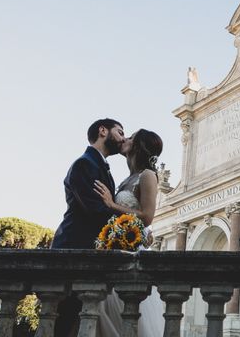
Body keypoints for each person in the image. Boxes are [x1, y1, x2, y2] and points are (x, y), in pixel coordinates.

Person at [51, 118, 125, 337]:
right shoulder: (85, 164)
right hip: (73, 249)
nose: (122, 139)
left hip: (89, 252)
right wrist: (132, 224)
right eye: (119, 132)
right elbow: (94, 210)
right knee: (63, 323)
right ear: (103, 131)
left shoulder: (99, 165)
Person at [93, 129, 165, 337]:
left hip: (131, 253)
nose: (125, 139)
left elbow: (147, 216)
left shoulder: (148, 175)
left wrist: (110, 204)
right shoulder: (127, 179)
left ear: (140, 146)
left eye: (132, 137)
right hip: (115, 251)